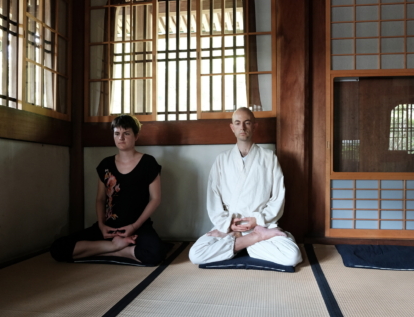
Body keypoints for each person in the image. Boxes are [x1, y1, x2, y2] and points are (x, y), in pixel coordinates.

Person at [189, 107, 302, 267]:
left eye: (247, 123)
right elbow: (213, 198)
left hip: (261, 224)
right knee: (195, 255)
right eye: (238, 123)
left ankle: (240, 243)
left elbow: (278, 196)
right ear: (232, 127)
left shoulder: (269, 158)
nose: (242, 127)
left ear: (254, 126)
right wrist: (226, 225)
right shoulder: (222, 160)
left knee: (292, 256)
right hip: (230, 226)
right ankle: (254, 239)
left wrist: (258, 220)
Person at [50, 115, 167, 266]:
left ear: (136, 136)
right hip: (109, 227)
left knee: (156, 254)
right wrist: (101, 225)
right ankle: (114, 247)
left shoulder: (148, 162)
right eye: (117, 133)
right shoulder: (106, 164)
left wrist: (134, 226)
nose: (121, 138)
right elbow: (100, 199)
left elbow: (155, 199)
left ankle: (111, 249)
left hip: (137, 227)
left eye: (126, 133)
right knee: (57, 248)